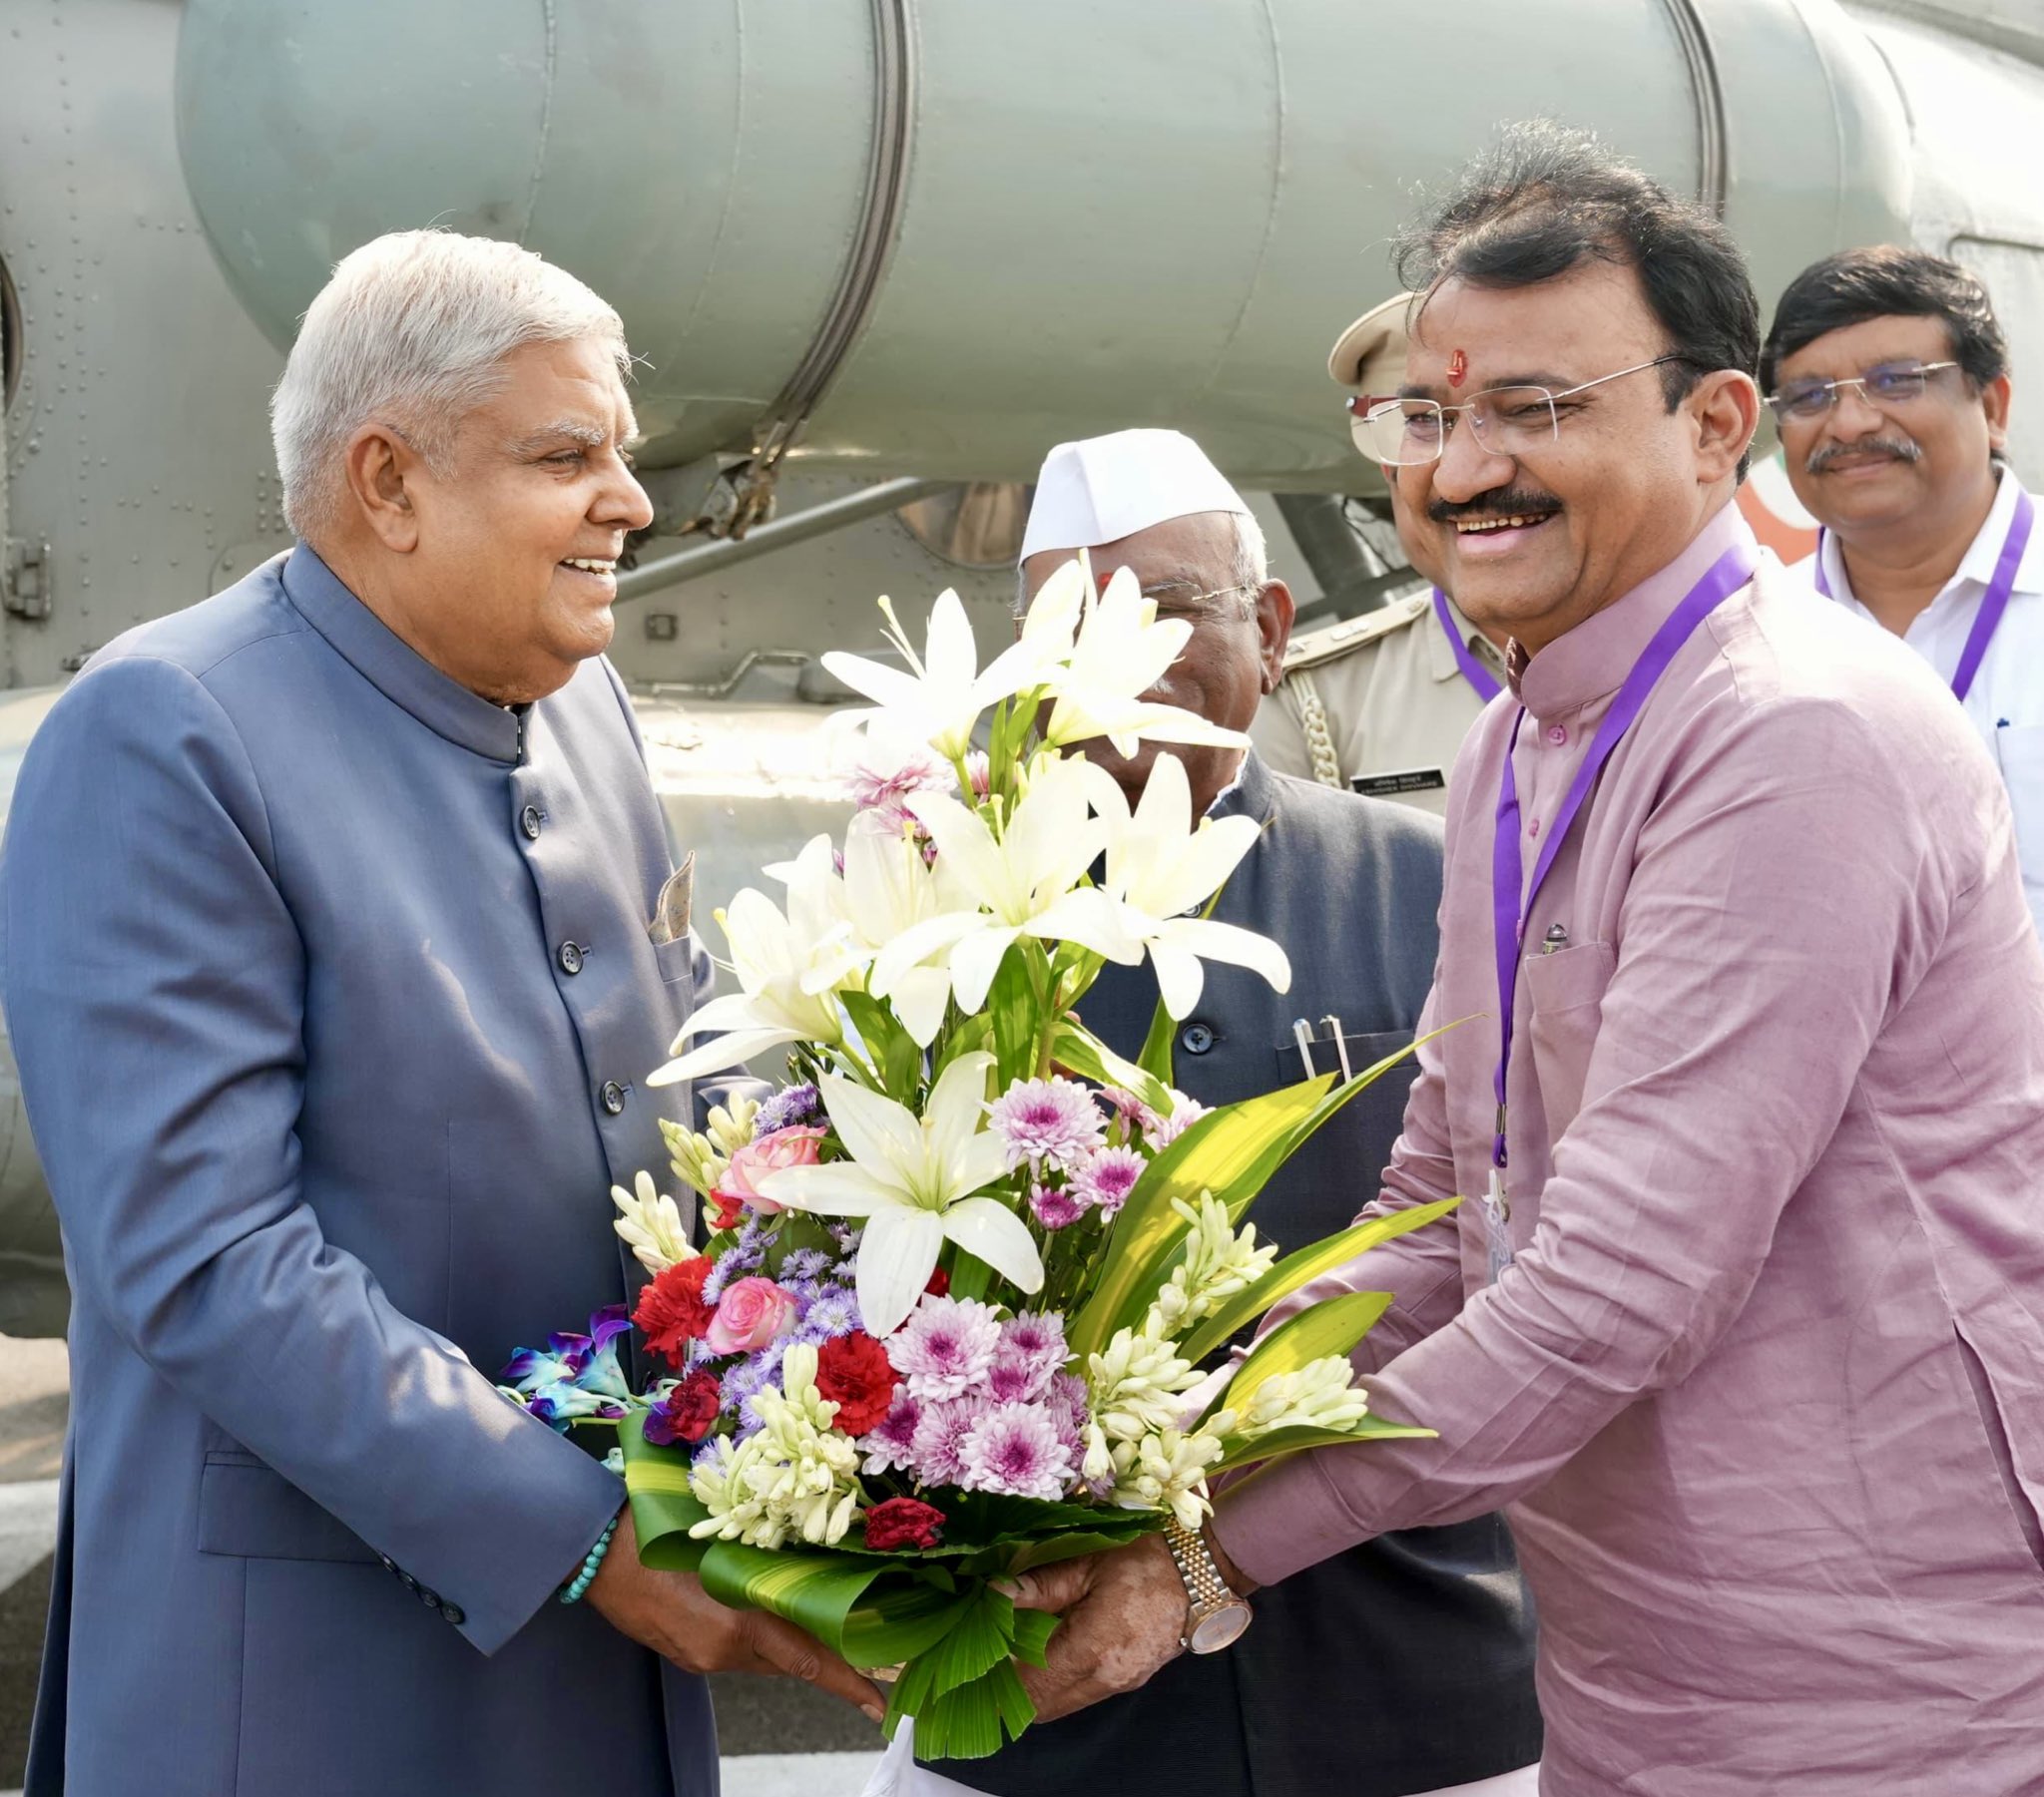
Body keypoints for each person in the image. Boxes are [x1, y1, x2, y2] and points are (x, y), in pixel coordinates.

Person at [1011, 126, 2044, 1795]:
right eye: (1431, 416)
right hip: (1629, 1666)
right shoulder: (1524, 736)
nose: (1465, 464)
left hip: (1874, 1683)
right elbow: (1445, 1191)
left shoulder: (1789, 736)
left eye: (1539, 409)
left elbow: (1615, 1283)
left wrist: (1204, 1549)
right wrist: (1148, 1440)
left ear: (1715, 428)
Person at [0, 229, 877, 1797]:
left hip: (602, 1664)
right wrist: (585, 1535)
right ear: (387, 482)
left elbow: (667, 1102)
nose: (630, 498)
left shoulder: (580, 702)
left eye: (622, 449)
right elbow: (206, 1260)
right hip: (310, 1684)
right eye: (568, 454)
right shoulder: (167, 729)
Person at [959, 428, 1540, 1797]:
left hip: (1418, 1657)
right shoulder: (951, 927)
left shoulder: (1437, 878)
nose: (1120, 666)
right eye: (1069, 629)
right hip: (1062, 1691)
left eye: (1165, 612)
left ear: (1271, 629)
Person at [1764, 246, 2042, 936]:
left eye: (1896, 381)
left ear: (1994, 403)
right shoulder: (1749, 644)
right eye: (1809, 396)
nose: (1851, 423)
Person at [1253, 293, 1506, 809]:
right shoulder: (1313, 701)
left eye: (1519, 418)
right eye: (1419, 433)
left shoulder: (1690, 664)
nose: (1461, 483)